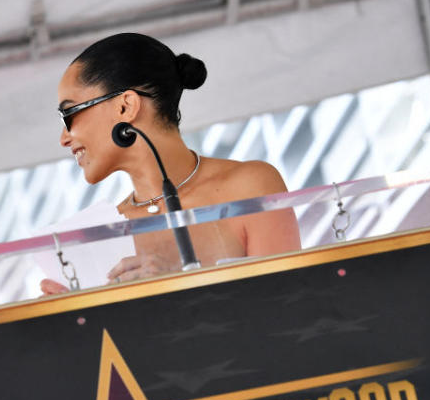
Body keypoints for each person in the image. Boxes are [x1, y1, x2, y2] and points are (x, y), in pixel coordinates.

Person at [46, 33, 300, 292]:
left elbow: (288, 307)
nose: (63, 139)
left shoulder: (250, 186)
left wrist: (178, 283)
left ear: (125, 107)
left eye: (69, 114)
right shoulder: (101, 237)